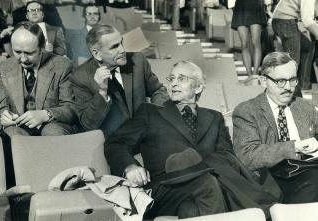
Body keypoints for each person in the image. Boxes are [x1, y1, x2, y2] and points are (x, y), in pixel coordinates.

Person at [105, 60, 279, 219]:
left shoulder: (214, 117)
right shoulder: (150, 112)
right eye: (172, 78)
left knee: (192, 208)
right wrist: (129, 166)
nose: (173, 83)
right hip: (166, 188)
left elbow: (226, 155)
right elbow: (115, 143)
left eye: (182, 78)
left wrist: (202, 166)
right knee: (208, 183)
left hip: (208, 187)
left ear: (198, 88)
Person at [233, 52, 318, 203]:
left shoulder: (305, 107)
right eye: (280, 81)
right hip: (273, 177)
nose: (288, 88)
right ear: (264, 81)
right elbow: (246, 156)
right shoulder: (247, 111)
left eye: (292, 80)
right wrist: (294, 147)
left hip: (309, 169)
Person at [70, 24, 169, 137]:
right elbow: (88, 125)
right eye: (114, 47)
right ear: (97, 54)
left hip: (145, 134)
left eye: (121, 42)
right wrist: (102, 92)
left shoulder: (138, 61)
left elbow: (158, 90)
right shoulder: (80, 77)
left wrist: (157, 114)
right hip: (113, 141)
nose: (122, 50)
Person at [0, 21, 75, 137]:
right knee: (12, 133)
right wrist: (5, 115)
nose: (23, 59)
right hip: (19, 129)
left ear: (42, 48)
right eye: (17, 52)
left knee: (51, 131)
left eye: (29, 53)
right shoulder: (3, 68)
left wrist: (46, 114)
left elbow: (72, 108)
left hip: (52, 125)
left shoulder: (63, 66)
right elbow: (1, 107)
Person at [272, 0, 318, 91]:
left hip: (282, 20)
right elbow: (307, 20)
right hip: (285, 21)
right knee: (293, 61)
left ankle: (304, 85)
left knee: (308, 47)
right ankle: (289, 92)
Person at [231, 0, 270, 81]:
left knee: (255, 42)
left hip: (255, 6)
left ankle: (255, 74)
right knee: (244, 44)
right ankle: (249, 75)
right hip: (240, 7)